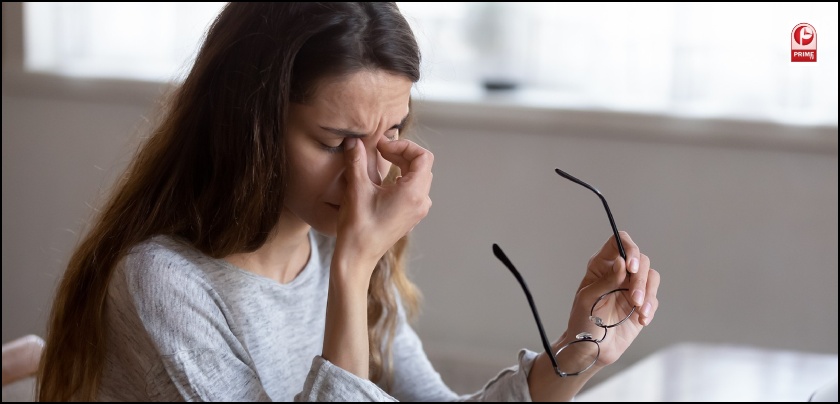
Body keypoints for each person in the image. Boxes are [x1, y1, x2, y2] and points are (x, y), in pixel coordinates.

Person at [37, 2, 660, 402]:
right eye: (336, 142)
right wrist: (354, 267)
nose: (370, 173)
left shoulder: (334, 246)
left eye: (391, 134)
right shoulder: (163, 283)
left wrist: (581, 345)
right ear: (250, 126)